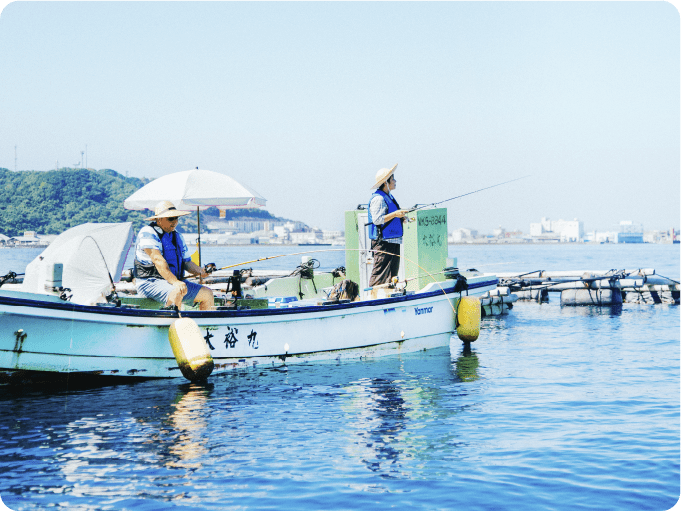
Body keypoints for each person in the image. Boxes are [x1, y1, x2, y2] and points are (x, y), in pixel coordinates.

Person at [133, 200, 214, 310]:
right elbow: (157, 260)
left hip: (174, 283)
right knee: (177, 291)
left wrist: (201, 271)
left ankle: (206, 326)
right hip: (149, 283)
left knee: (207, 293)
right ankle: (171, 324)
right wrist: (175, 282)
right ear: (159, 219)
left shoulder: (178, 237)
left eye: (176, 218)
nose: (175, 222)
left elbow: (187, 263)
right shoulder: (147, 232)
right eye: (171, 218)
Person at [367, 164, 410, 287]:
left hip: (393, 241)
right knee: (380, 273)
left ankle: (388, 295)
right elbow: (377, 220)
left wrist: (401, 217)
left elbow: (390, 216)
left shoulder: (389, 196)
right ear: (386, 182)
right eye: (393, 179)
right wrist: (395, 214)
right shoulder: (379, 199)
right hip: (383, 243)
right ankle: (373, 297)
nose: (395, 181)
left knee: (392, 274)